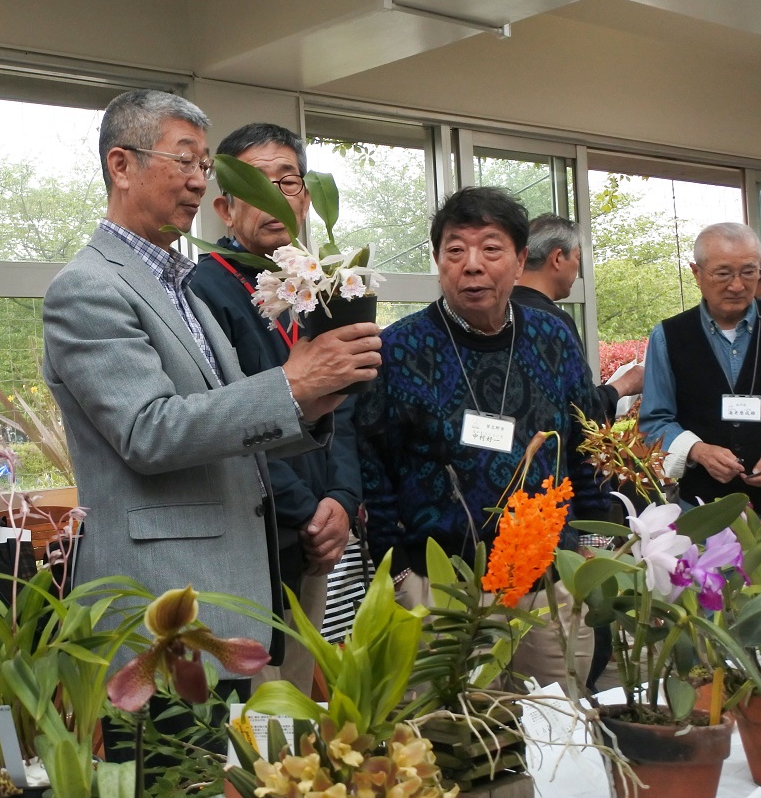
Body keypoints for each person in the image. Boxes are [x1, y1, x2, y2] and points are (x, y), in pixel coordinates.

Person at [41, 89, 381, 699]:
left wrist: (314, 403)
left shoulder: (180, 287)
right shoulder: (88, 288)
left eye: (205, 166)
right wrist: (291, 385)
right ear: (121, 165)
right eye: (184, 160)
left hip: (230, 589)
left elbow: (227, 429)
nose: (199, 181)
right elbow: (149, 432)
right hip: (163, 599)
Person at [355, 186, 606, 690]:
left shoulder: (553, 337)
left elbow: (586, 441)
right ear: (438, 261)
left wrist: (594, 541)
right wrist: (401, 573)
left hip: (548, 579)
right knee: (452, 741)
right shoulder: (398, 348)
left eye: (491, 249)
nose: (472, 265)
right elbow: (371, 463)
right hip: (442, 585)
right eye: (455, 250)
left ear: (518, 261)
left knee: (559, 735)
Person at [190, 121, 360, 693]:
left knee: (301, 716)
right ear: (224, 208)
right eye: (254, 185)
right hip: (257, 533)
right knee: (259, 723)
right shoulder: (204, 290)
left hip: (320, 534)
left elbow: (349, 405)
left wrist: (341, 499)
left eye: (286, 182)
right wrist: (306, 509)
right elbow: (221, 416)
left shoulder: (322, 285)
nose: (273, 198)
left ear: (306, 198)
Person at [641, 222, 761, 517]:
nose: (737, 285)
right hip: (703, 513)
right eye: (723, 274)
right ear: (696, 273)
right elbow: (654, 420)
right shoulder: (669, 336)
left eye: (748, 272)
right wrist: (697, 450)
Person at [512, 214, 644, 419]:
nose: (578, 269)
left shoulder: (498, 312)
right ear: (557, 258)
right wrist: (626, 383)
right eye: (577, 258)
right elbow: (582, 410)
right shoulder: (553, 323)